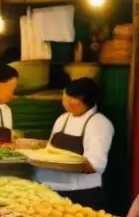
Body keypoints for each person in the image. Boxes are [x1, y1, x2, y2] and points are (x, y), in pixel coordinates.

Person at [32, 78, 115, 209]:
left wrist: (66, 162)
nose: (66, 103)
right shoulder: (62, 119)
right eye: (65, 98)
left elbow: (95, 165)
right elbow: (49, 150)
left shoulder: (99, 123)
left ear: (86, 101)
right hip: (50, 190)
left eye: (71, 99)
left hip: (80, 193)